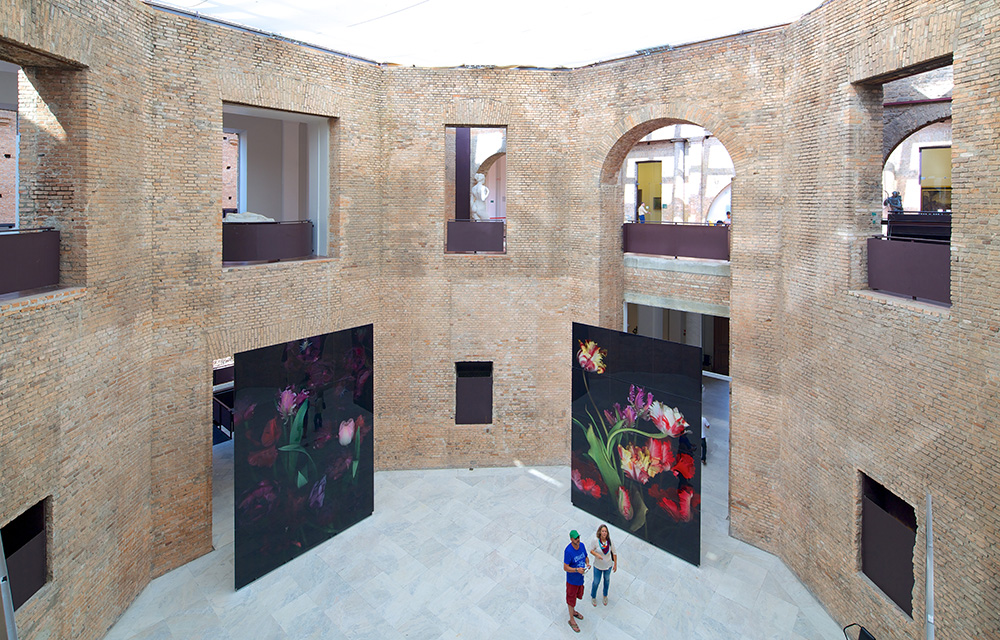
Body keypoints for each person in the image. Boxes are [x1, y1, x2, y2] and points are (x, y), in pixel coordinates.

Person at [563, 529, 590, 632]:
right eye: (575, 538)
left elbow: (586, 557)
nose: (578, 540)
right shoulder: (568, 551)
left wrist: (587, 563)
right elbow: (565, 567)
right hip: (572, 581)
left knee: (578, 596)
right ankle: (571, 619)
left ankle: (573, 611)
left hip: (580, 579)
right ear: (571, 539)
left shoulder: (582, 546)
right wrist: (576, 570)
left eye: (578, 537)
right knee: (571, 599)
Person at [588, 524, 617, 607]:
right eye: (603, 531)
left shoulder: (610, 542)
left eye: (605, 531)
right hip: (597, 566)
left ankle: (605, 595)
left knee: (607, 580)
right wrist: (597, 555)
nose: (604, 533)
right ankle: (593, 596)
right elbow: (591, 550)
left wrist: (615, 564)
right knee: (596, 582)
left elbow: (614, 553)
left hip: (608, 566)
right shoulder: (595, 541)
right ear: (600, 532)